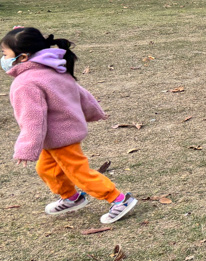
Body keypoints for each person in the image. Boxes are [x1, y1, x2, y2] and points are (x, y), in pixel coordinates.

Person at [3, 27, 137, 224]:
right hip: (56, 137)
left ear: (22, 57)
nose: (3, 58)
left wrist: (26, 148)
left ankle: (119, 199)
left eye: (5, 54)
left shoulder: (26, 83)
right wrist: (94, 112)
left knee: (79, 173)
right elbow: (79, 93)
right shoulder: (53, 69)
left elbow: (32, 119)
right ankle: (71, 197)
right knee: (47, 169)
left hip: (61, 137)